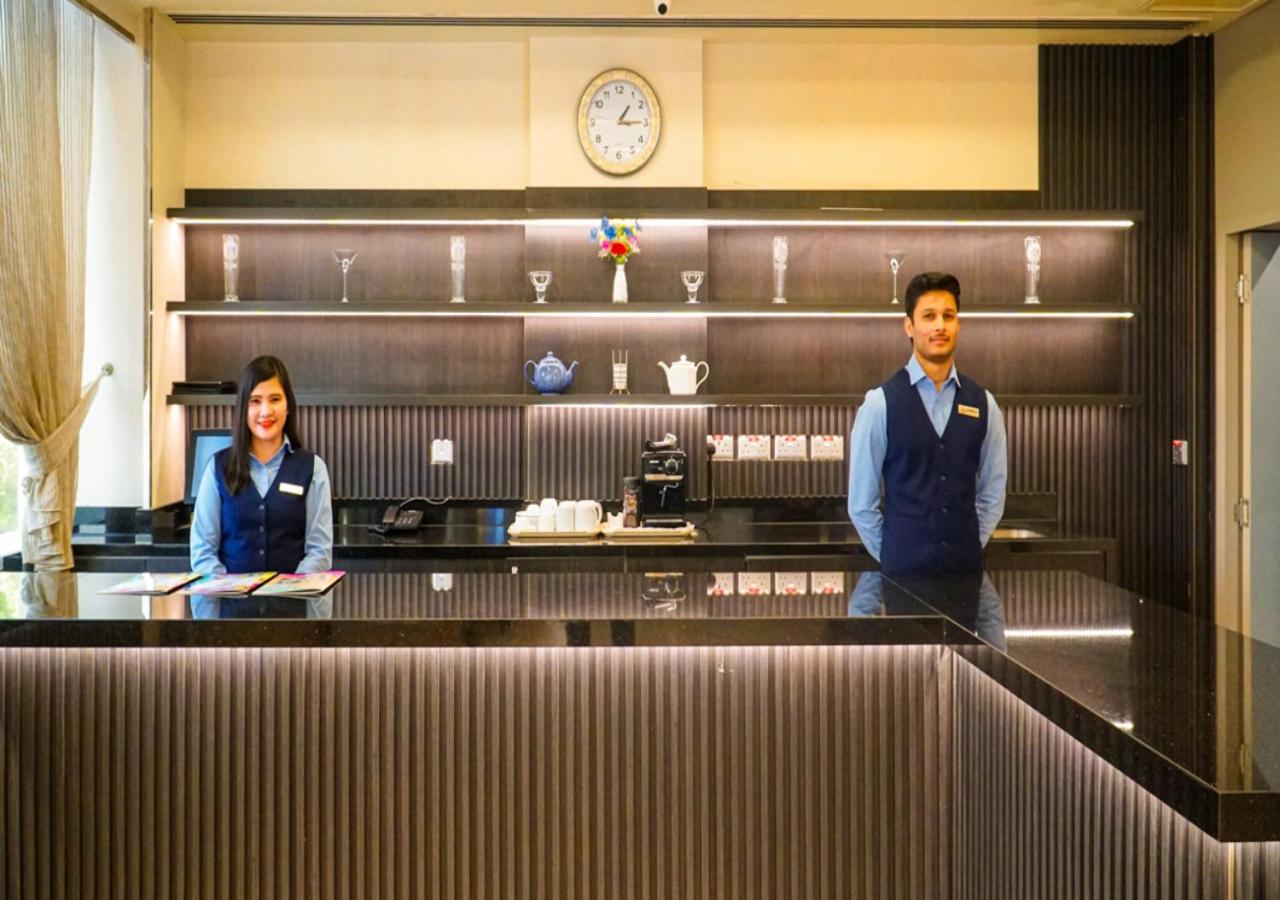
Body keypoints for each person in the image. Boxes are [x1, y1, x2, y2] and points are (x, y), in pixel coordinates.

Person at [847, 272, 1007, 575]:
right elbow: (860, 505)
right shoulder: (879, 404)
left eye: (948, 316)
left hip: (965, 576)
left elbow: (992, 495)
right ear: (909, 326)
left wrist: (967, 544)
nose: (939, 326)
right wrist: (896, 553)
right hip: (901, 579)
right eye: (929, 316)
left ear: (958, 324)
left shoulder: (984, 404)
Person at [190, 355, 333, 576]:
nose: (266, 411)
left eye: (275, 399)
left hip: (292, 606)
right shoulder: (217, 468)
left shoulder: (313, 468)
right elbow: (203, 552)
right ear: (243, 409)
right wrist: (229, 590)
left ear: (288, 406)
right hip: (231, 606)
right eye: (255, 401)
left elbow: (319, 552)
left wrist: (290, 589)